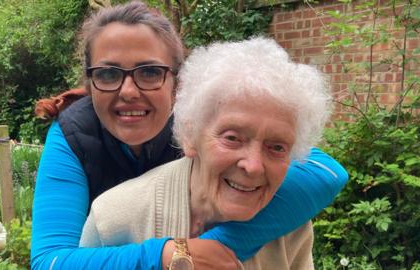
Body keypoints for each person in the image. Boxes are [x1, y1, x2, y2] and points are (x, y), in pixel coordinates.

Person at [31, 2, 348, 270]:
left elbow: (323, 172)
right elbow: (50, 260)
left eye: (150, 72)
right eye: (109, 74)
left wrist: (224, 244)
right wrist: (168, 253)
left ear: (178, 83)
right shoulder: (73, 137)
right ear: (90, 83)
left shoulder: (207, 116)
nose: (128, 91)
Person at [79, 36, 332, 270]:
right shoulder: (112, 219)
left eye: (277, 147)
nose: (254, 166)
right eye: (232, 138)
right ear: (190, 135)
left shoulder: (290, 223)